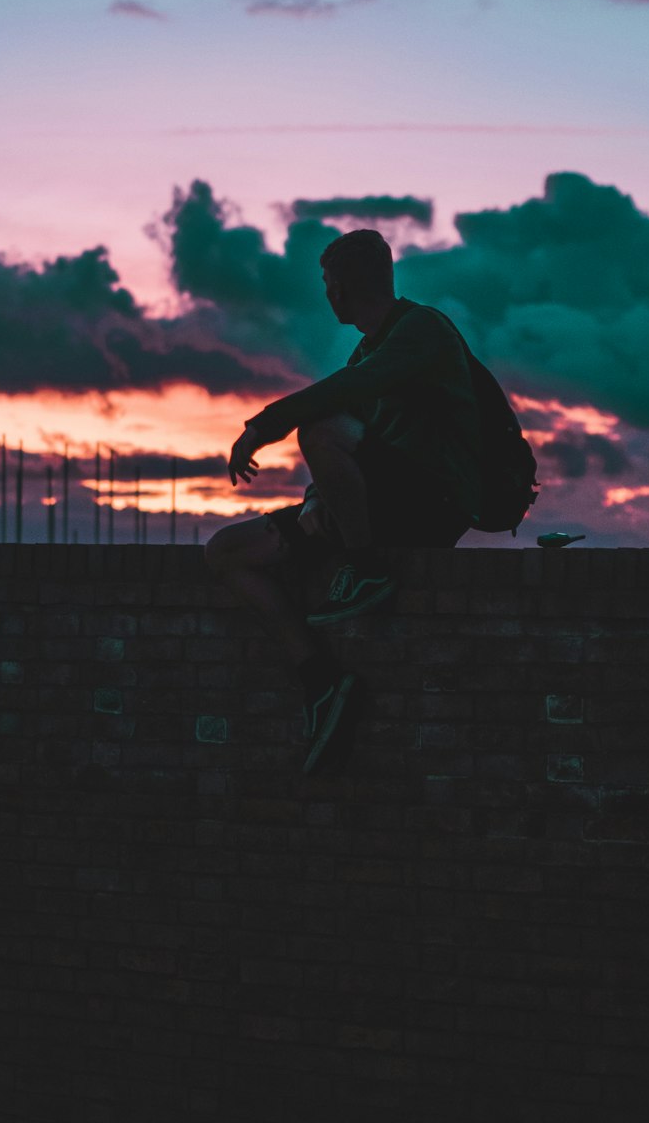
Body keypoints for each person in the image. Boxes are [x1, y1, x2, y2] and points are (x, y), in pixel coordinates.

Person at [204, 228, 483, 775]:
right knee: (227, 552)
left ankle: (362, 571)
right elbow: (359, 437)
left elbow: (341, 399)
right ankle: (322, 683)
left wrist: (264, 425)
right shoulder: (369, 347)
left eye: (330, 285)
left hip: (428, 504)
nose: (327, 296)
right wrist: (315, 502)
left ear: (346, 289)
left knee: (320, 426)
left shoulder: (422, 329)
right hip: (380, 503)